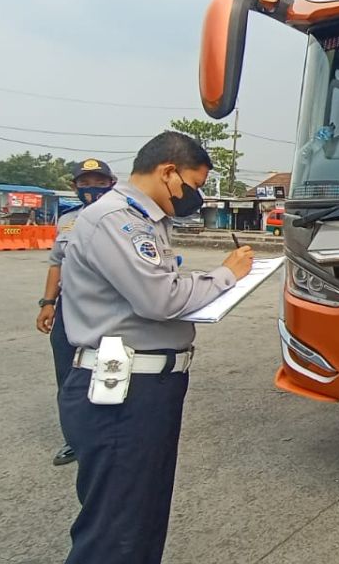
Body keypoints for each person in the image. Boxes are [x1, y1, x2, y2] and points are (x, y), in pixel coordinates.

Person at [57, 132, 254, 564]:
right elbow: (159, 298)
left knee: (141, 517)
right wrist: (226, 275)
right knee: (117, 530)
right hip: (122, 390)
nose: (196, 197)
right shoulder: (116, 220)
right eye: (194, 185)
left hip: (147, 386)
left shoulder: (147, 222)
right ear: (168, 172)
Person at [35, 158, 117, 466]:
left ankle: (108, 437)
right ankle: (74, 439)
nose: (92, 188)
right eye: (85, 182)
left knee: (109, 372)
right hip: (69, 310)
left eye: (99, 181)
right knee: (68, 377)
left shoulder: (124, 218)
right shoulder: (67, 221)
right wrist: (47, 303)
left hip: (108, 311)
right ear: (75, 186)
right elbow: (57, 262)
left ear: (112, 183)